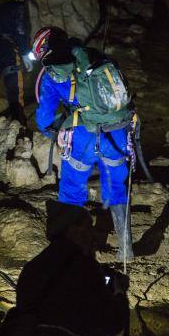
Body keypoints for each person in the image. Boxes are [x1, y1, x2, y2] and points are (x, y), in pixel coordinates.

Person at [31, 27, 134, 262]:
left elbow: (44, 118)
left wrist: (56, 132)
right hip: (116, 132)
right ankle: (126, 249)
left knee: (72, 188)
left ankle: (75, 252)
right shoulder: (95, 57)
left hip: (81, 136)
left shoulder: (52, 74)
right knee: (117, 186)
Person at [0, 200, 136, 336]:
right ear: (72, 230)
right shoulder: (84, 266)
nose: (92, 234)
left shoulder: (31, 267)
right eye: (87, 227)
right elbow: (112, 323)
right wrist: (120, 293)